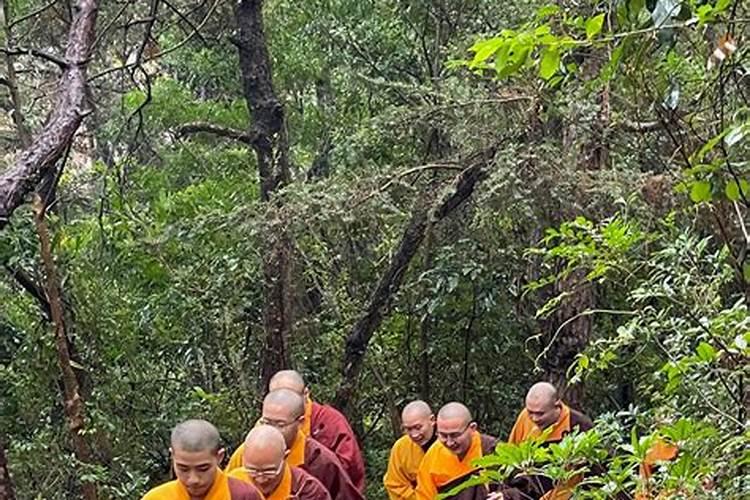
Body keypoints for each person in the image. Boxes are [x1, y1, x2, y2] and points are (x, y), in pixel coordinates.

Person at [226, 389, 363, 499]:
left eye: (280, 424)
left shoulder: (310, 481)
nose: (261, 479)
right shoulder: (235, 477)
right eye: (266, 422)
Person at [268, 369, 366, 492]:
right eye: (276, 397)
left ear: (306, 394)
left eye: (291, 396)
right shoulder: (263, 427)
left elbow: (349, 469)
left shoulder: (330, 420)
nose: (283, 403)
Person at [502, 382, 594, 500]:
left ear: (557, 405)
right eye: (530, 412)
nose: (534, 419)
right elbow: (510, 458)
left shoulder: (578, 425)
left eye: (540, 414)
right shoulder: (524, 418)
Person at [142, 419, 262, 500]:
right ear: (172, 456)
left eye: (203, 469)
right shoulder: (156, 497)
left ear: (219, 457)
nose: (193, 480)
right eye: (183, 469)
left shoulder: (242, 496)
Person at [415, 402, 497, 500]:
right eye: (443, 435)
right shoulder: (432, 457)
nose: (449, 443)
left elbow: (518, 488)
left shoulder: (492, 450)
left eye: (455, 435)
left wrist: (505, 495)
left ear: (472, 428)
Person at [228, 425, 331, 499]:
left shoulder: (307, 490)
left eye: (269, 471)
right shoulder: (233, 484)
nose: (261, 479)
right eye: (252, 470)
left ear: (285, 457)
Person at [383, 400, 437, 500]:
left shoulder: (451, 442)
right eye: (408, 429)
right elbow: (395, 485)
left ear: (432, 420)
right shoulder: (401, 447)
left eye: (418, 427)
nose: (414, 434)